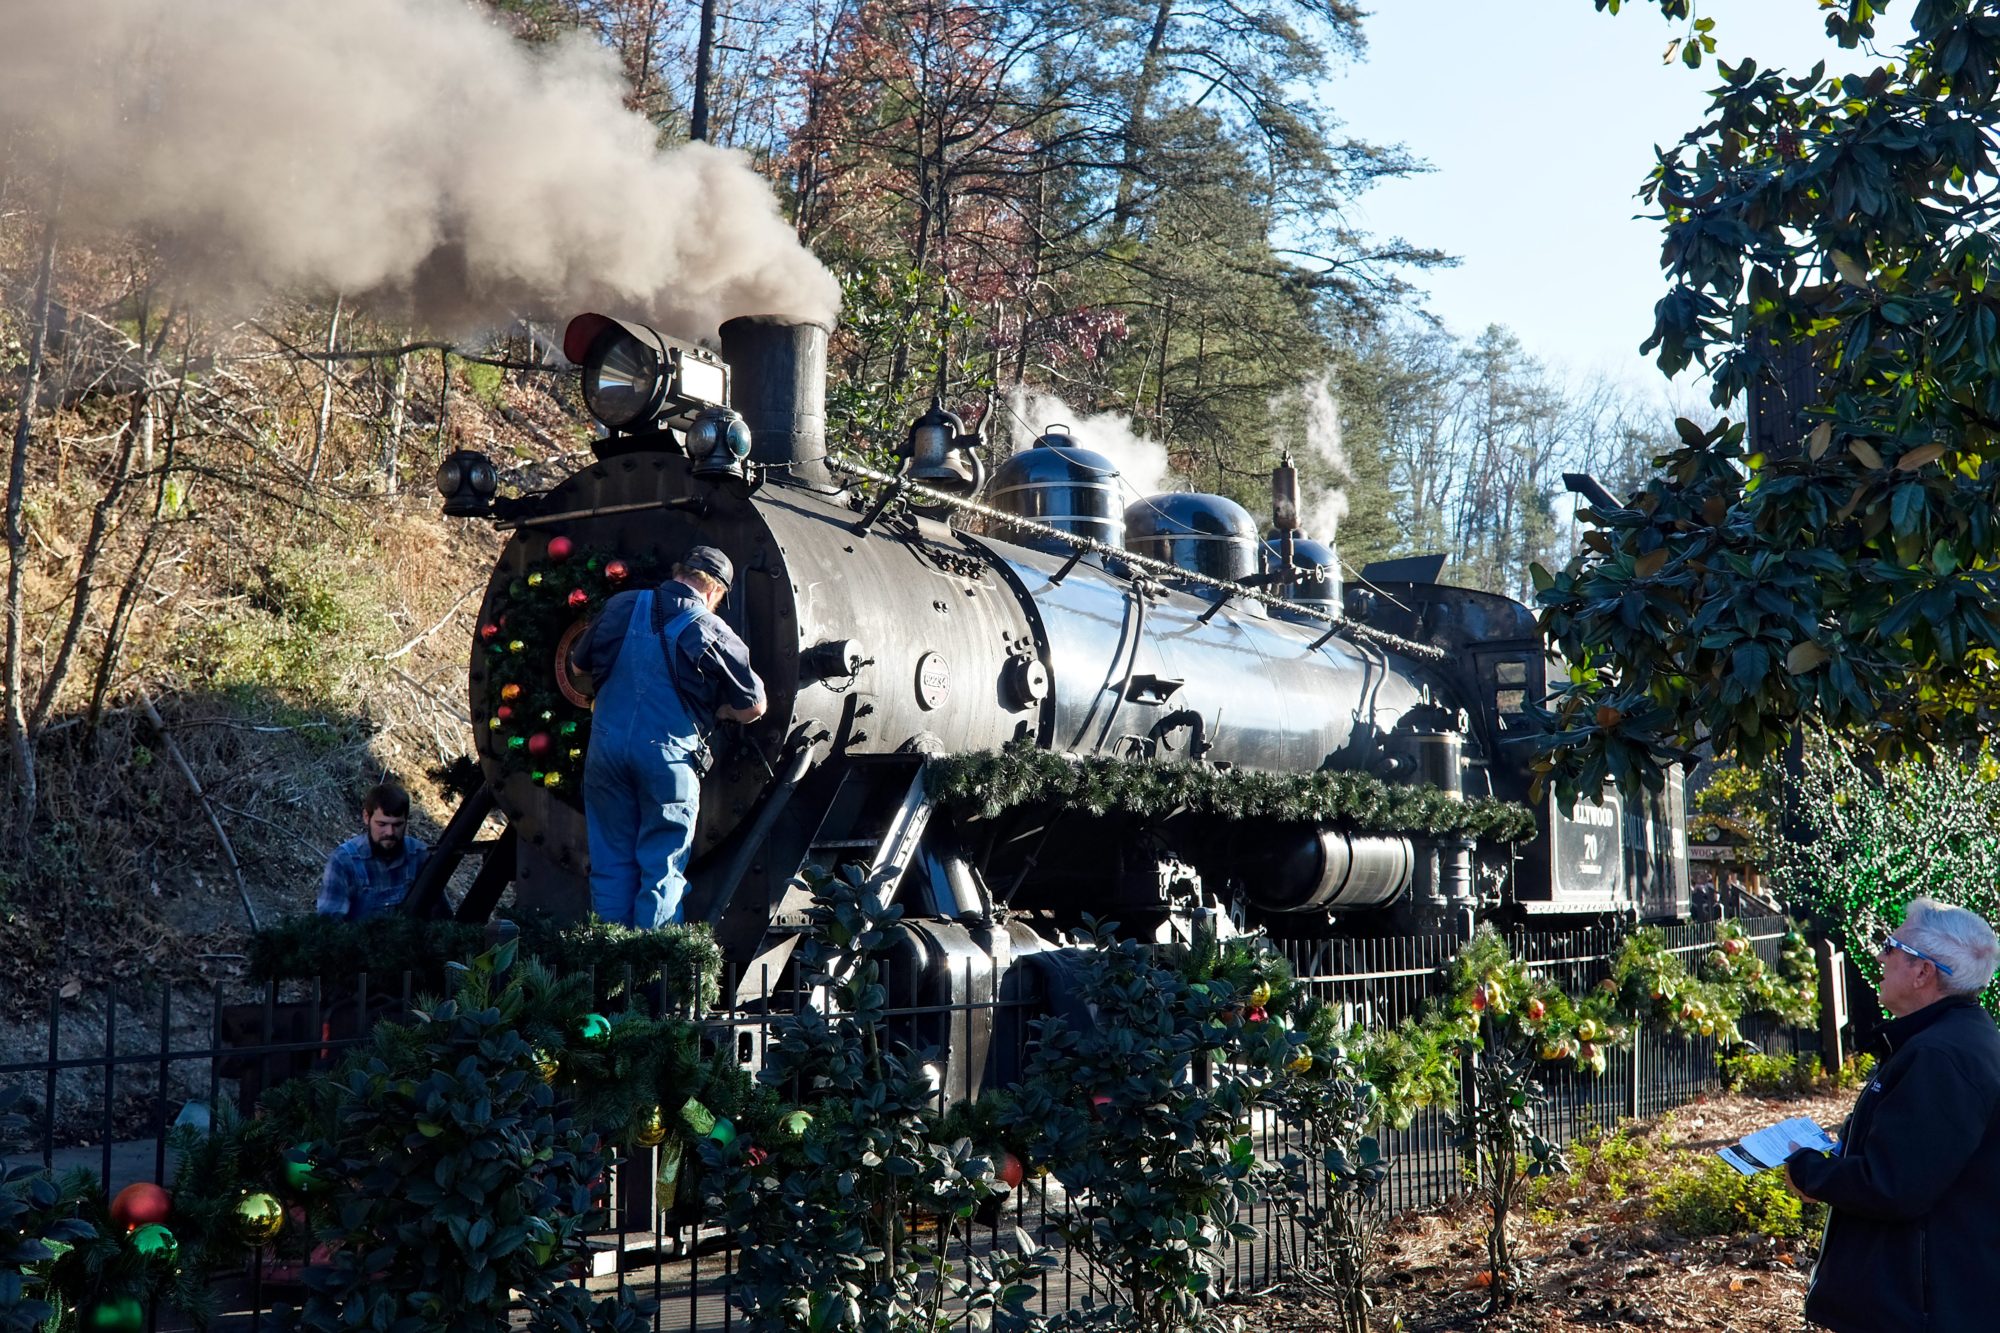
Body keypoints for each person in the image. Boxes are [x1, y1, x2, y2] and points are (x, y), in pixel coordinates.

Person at [1783, 897, 2000, 1333]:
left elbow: (1895, 1185)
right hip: (1934, 1296)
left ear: (1924, 972)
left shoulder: (1940, 1055)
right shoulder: (1951, 1038)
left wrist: (1809, 1173)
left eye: (1891, 947)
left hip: (1924, 1308)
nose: (1880, 956)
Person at [571, 545, 765, 928]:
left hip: (605, 753)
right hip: (667, 760)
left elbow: (578, 665)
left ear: (680, 572)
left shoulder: (621, 605)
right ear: (714, 592)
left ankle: (607, 969)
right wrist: (722, 711)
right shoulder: (712, 629)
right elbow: (754, 706)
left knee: (610, 863)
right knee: (662, 869)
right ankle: (647, 976)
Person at [316, 782, 431, 920]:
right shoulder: (343, 861)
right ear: (366, 817)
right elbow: (329, 926)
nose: (390, 832)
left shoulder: (420, 855)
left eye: (397, 825)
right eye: (382, 824)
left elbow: (441, 919)